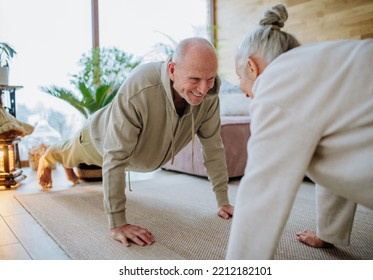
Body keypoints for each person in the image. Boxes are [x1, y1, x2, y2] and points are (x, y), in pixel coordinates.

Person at [225, 4, 373, 259]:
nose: (243, 91)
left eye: (240, 78)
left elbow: (262, 189)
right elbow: (337, 150)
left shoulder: (275, 84)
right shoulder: (317, 64)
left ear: (251, 67)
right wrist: (328, 234)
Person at [37, 37, 234, 247]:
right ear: (172, 70)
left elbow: (213, 146)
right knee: (68, 152)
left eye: (210, 79)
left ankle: (64, 161)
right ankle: (48, 156)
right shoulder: (141, 85)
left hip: (136, 155)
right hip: (99, 140)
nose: (203, 89)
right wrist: (117, 223)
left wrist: (223, 201)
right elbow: (114, 157)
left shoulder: (210, 96)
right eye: (195, 79)